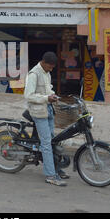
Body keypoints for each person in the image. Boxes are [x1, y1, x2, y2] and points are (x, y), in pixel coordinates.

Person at [24, 52, 68, 187]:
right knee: (46, 144)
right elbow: (28, 96)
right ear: (44, 62)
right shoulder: (34, 74)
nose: (52, 69)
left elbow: (47, 90)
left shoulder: (46, 73)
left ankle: (56, 168)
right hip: (38, 112)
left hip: (48, 109)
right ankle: (50, 175)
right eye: (50, 66)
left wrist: (53, 96)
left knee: (53, 140)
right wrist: (46, 98)